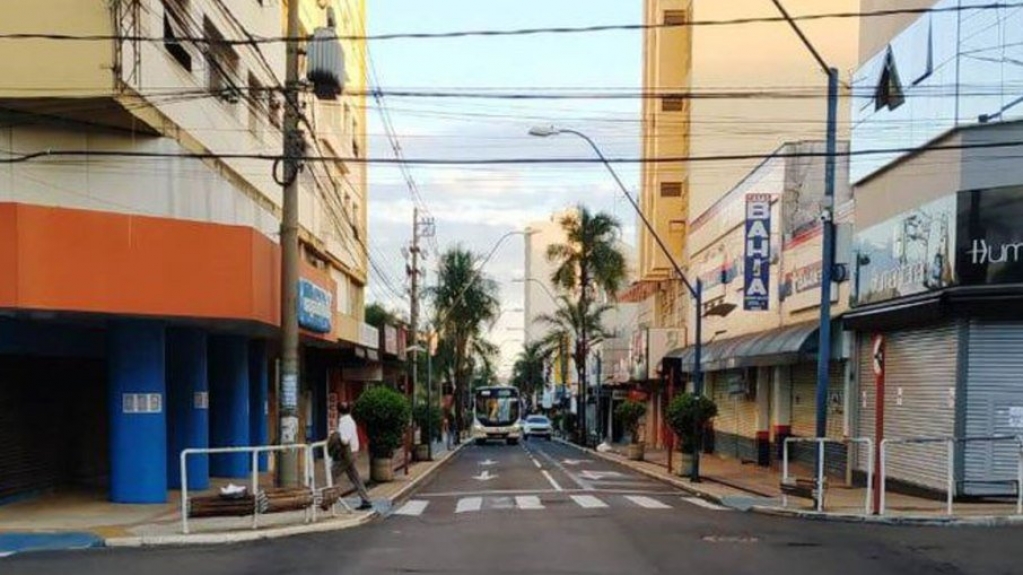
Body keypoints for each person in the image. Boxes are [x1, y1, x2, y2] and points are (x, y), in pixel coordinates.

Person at [331, 402, 373, 511]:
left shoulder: (345, 423)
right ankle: (366, 500)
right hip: (352, 452)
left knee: (331, 473)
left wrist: (335, 436)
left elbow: (344, 440)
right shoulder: (350, 420)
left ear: (338, 411)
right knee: (354, 477)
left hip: (347, 454)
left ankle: (330, 499)